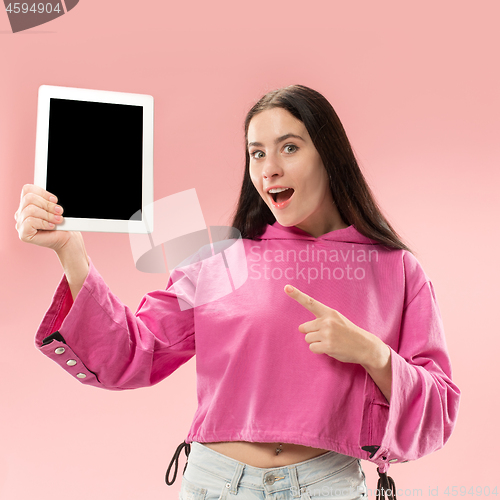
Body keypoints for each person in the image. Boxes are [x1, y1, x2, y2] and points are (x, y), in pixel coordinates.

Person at [15, 85, 460, 500]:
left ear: (330, 155)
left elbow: (439, 411)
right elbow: (132, 351)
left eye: (289, 147)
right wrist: (70, 251)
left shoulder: (396, 270)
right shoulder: (220, 259)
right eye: (256, 153)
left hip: (328, 486)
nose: (270, 169)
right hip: (218, 483)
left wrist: (373, 354)